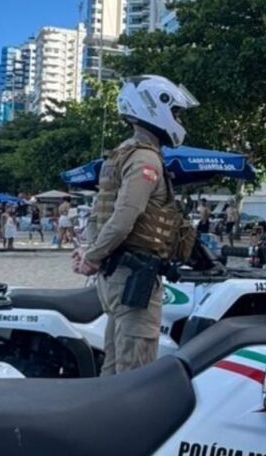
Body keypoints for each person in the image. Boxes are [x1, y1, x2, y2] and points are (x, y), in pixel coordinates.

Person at [71, 75, 199, 375]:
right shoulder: (145, 159)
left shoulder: (120, 154)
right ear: (155, 107)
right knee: (135, 371)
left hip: (116, 274)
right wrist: (92, 256)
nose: (178, 120)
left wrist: (93, 252)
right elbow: (124, 217)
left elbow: (98, 214)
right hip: (133, 275)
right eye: (176, 112)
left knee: (114, 365)